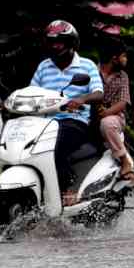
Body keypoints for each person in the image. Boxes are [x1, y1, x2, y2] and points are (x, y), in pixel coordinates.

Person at [30, 20, 104, 206]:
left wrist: (81, 99)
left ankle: (68, 187)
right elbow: (31, 91)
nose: (56, 46)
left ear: (71, 43)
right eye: (52, 42)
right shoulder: (43, 67)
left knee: (54, 146)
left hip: (74, 121)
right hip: (43, 123)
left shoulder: (86, 65)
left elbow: (98, 93)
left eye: (60, 42)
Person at [97, 38, 134, 182]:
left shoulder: (122, 76)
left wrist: (106, 112)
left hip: (115, 117)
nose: (126, 59)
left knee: (107, 123)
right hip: (89, 115)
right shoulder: (92, 71)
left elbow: (123, 102)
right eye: (124, 56)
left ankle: (125, 160)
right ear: (114, 58)